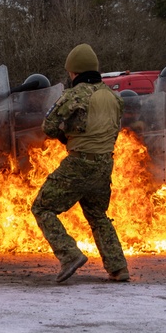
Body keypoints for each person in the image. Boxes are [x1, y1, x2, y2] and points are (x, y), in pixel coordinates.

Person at [31, 43, 130, 284]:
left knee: (42, 208)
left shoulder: (75, 94)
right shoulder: (114, 97)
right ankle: (118, 267)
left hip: (79, 163)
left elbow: (49, 126)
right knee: (98, 215)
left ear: (74, 72)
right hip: (104, 164)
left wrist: (66, 135)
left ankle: (69, 254)